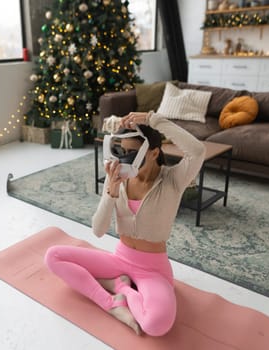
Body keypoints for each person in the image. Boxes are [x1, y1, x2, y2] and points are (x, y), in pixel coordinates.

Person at [44, 111, 205, 336]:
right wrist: (110, 191)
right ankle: (111, 302)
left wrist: (151, 119)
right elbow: (98, 231)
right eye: (122, 150)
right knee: (53, 256)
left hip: (153, 270)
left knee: (157, 325)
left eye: (132, 152)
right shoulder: (120, 177)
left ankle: (122, 289)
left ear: (154, 152)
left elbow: (198, 151)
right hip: (120, 259)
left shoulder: (173, 180)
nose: (124, 158)